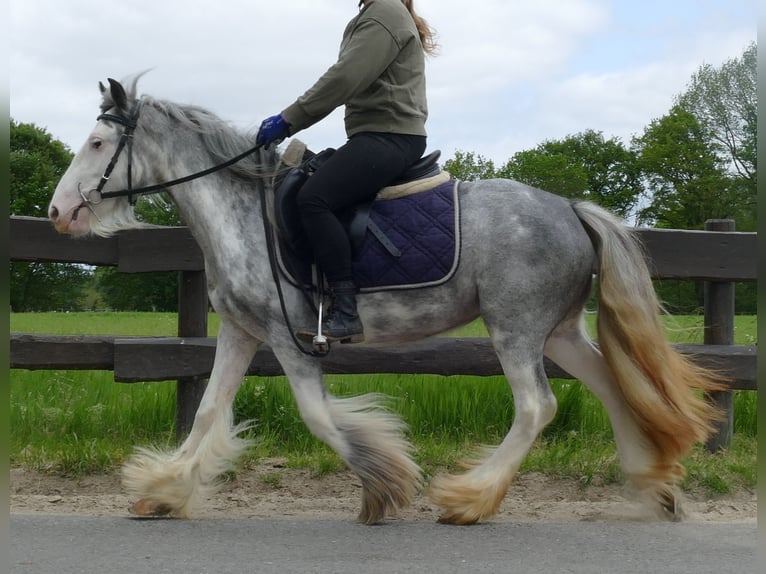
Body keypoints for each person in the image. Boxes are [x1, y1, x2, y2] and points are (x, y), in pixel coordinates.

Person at [256, 0, 437, 343]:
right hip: (381, 134)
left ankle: (345, 307)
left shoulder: (384, 11)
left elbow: (345, 77)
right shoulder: (379, 13)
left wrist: (290, 117)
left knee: (314, 199)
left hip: (389, 135)